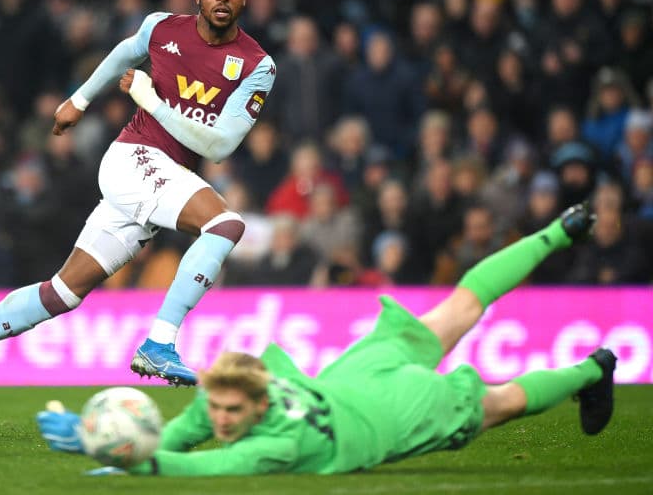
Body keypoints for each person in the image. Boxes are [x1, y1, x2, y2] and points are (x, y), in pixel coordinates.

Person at [0, 0, 276, 415]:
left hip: (159, 174)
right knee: (224, 224)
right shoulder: (162, 29)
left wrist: (152, 103)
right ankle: (160, 342)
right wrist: (78, 100)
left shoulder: (257, 65)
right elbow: (124, 52)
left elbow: (219, 146)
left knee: (61, 293)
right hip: (133, 159)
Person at [37, 203, 618, 476]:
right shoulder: (241, 389)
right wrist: (124, 447)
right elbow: (183, 435)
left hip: (394, 413)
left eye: (233, 412)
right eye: (218, 407)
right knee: (463, 305)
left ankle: (594, 368)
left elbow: (204, 469)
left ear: (260, 404)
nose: (221, 419)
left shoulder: (279, 445)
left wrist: (116, 455)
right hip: (358, 375)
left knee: (503, 402)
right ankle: (559, 230)